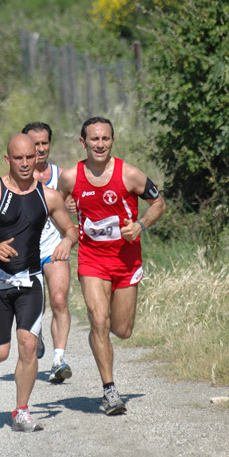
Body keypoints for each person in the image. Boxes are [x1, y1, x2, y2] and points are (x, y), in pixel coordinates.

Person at [0, 134, 78, 432]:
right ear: (7, 159)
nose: (24, 163)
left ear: (36, 158)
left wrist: (66, 242)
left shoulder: (48, 196)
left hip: (31, 282)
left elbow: (70, 228)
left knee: (27, 346)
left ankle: (21, 411)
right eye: (18, 158)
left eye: (29, 157)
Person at [58, 116, 166, 416]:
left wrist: (140, 225)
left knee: (123, 329)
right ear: (83, 142)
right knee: (99, 320)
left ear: (112, 141)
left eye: (105, 139)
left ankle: (101, 340)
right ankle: (110, 391)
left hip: (125, 260)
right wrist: (68, 219)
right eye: (94, 139)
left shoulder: (129, 174)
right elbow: (55, 204)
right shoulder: (70, 177)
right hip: (92, 260)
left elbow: (159, 203)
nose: (100, 144)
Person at [22, 122, 73, 383]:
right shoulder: (16, 177)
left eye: (44, 143)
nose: (40, 149)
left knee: (59, 298)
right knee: (35, 308)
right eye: (35, 144)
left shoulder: (62, 176)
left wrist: (74, 206)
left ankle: (58, 360)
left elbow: (78, 207)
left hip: (54, 247)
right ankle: (38, 331)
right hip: (25, 252)